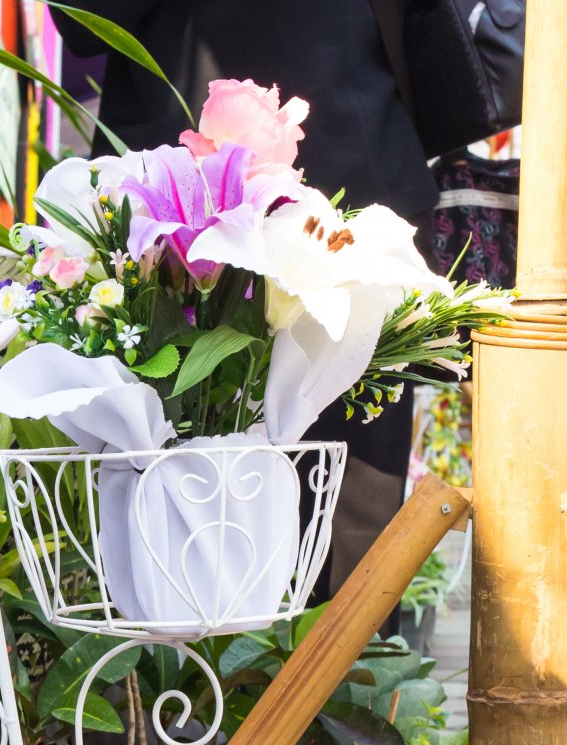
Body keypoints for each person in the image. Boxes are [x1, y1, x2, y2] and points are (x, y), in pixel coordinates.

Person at [54, 1, 436, 594]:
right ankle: (325, 675)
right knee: (323, 494)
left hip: (237, 179)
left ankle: (310, 675)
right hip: (224, 188)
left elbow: (81, 24)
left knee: (310, 498)